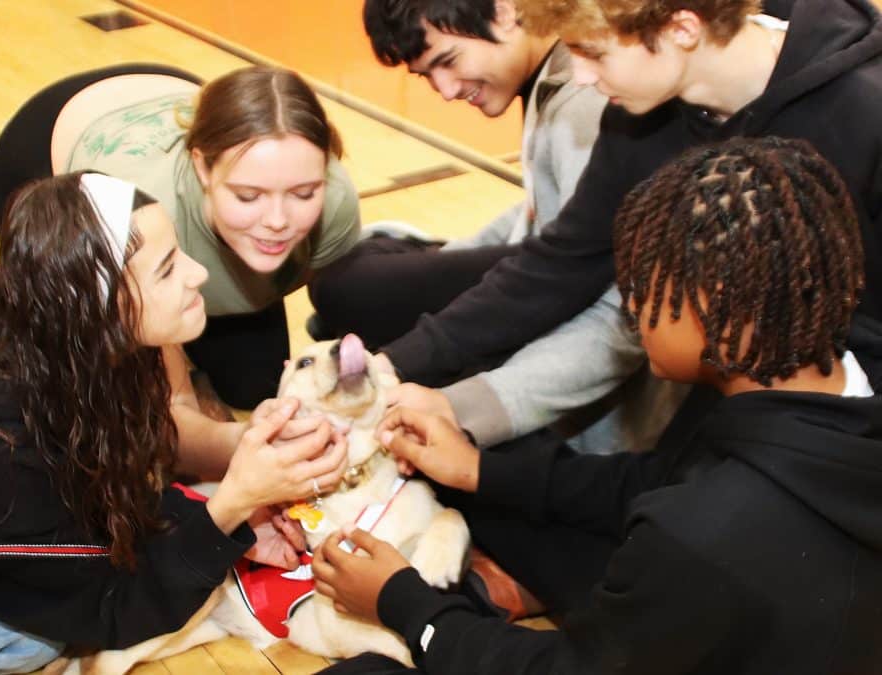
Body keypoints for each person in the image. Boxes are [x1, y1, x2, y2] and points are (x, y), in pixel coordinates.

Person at [311, 137, 882, 674]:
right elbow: (659, 479)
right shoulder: (828, 383)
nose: (629, 305)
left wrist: (407, 605)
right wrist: (478, 471)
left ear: (718, 309)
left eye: (643, 287)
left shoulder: (701, 534)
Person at [0, 173, 349, 673]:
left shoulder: (59, 337)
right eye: (167, 268)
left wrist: (231, 520)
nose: (198, 273)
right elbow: (102, 610)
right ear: (98, 308)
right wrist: (228, 506)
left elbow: (105, 482)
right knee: (19, 647)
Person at [375, 0, 882, 429]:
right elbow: (560, 264)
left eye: (592, 53)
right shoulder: (637, 118)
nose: (579, 76)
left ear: (682, 29)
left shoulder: (863, 106)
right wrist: (393, 367)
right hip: (739, 399)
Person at [312, 0, 677, 453]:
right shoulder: (554, 79)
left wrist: (463, 404)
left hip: (588, 395)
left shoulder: (587, 100)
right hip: (544, 274)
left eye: (448, 61)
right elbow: (541, 215)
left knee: (347, 287)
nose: (444, 90)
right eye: (427, 75)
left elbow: (604, 305)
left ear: (506, 11)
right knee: (359, 275)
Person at [0, 64, 361, 409]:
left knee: (253, 389)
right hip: (47, 139)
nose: (278, 221)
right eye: (248, 196)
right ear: (202, 166)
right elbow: (177, 411)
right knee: (112, 400)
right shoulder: (148, 214)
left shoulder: (335, 199)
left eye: (303, 193)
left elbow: (333, 303)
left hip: (168, 91)